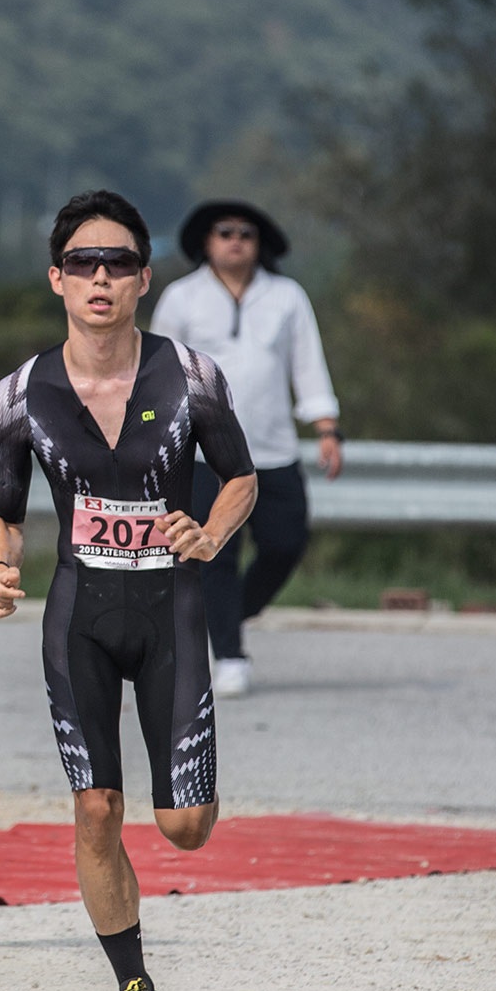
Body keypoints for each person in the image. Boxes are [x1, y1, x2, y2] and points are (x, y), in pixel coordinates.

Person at [0, 190, 256, 991]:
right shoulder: (18, 395)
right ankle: (134, 984)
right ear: (57, 279)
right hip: (80, 617)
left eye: (119, 263)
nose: (101, 278)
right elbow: (3, 512)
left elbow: (242, 478)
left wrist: (209, 532)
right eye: (84, 264)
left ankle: (189, 786)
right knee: (97, 807)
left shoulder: (194, 376)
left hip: (171, 609)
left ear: (144, 278)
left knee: (185, 827)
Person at [150, 201, 342, 697]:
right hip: (201, 454)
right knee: (213, 553)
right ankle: (230, 656)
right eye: (225, 232)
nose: (235, 240)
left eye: (245, 233)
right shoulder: (182, 297)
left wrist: (327, 428)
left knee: (285, 543)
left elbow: (308, 364)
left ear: (260, 244)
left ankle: (230, 615)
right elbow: (159, 372)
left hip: (273, 450)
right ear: (206, 241)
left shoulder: (287, 297)